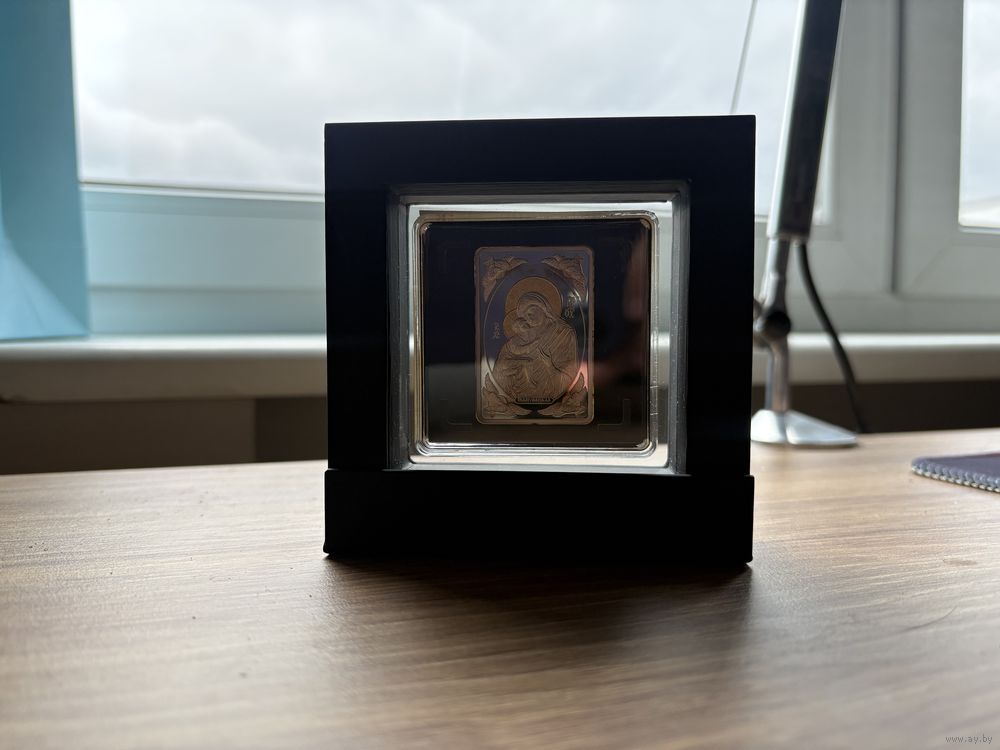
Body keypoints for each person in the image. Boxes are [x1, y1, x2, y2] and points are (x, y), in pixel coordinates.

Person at [494, 291, 578, 404]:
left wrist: (549, 366)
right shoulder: (517, 340)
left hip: (553, 393)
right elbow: (499, 371)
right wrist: (503, 370)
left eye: (531, 310)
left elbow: (569, 373)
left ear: (543, 309)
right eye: (524, 315)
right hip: (519, 395)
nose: (528, 317)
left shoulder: (563, 334)